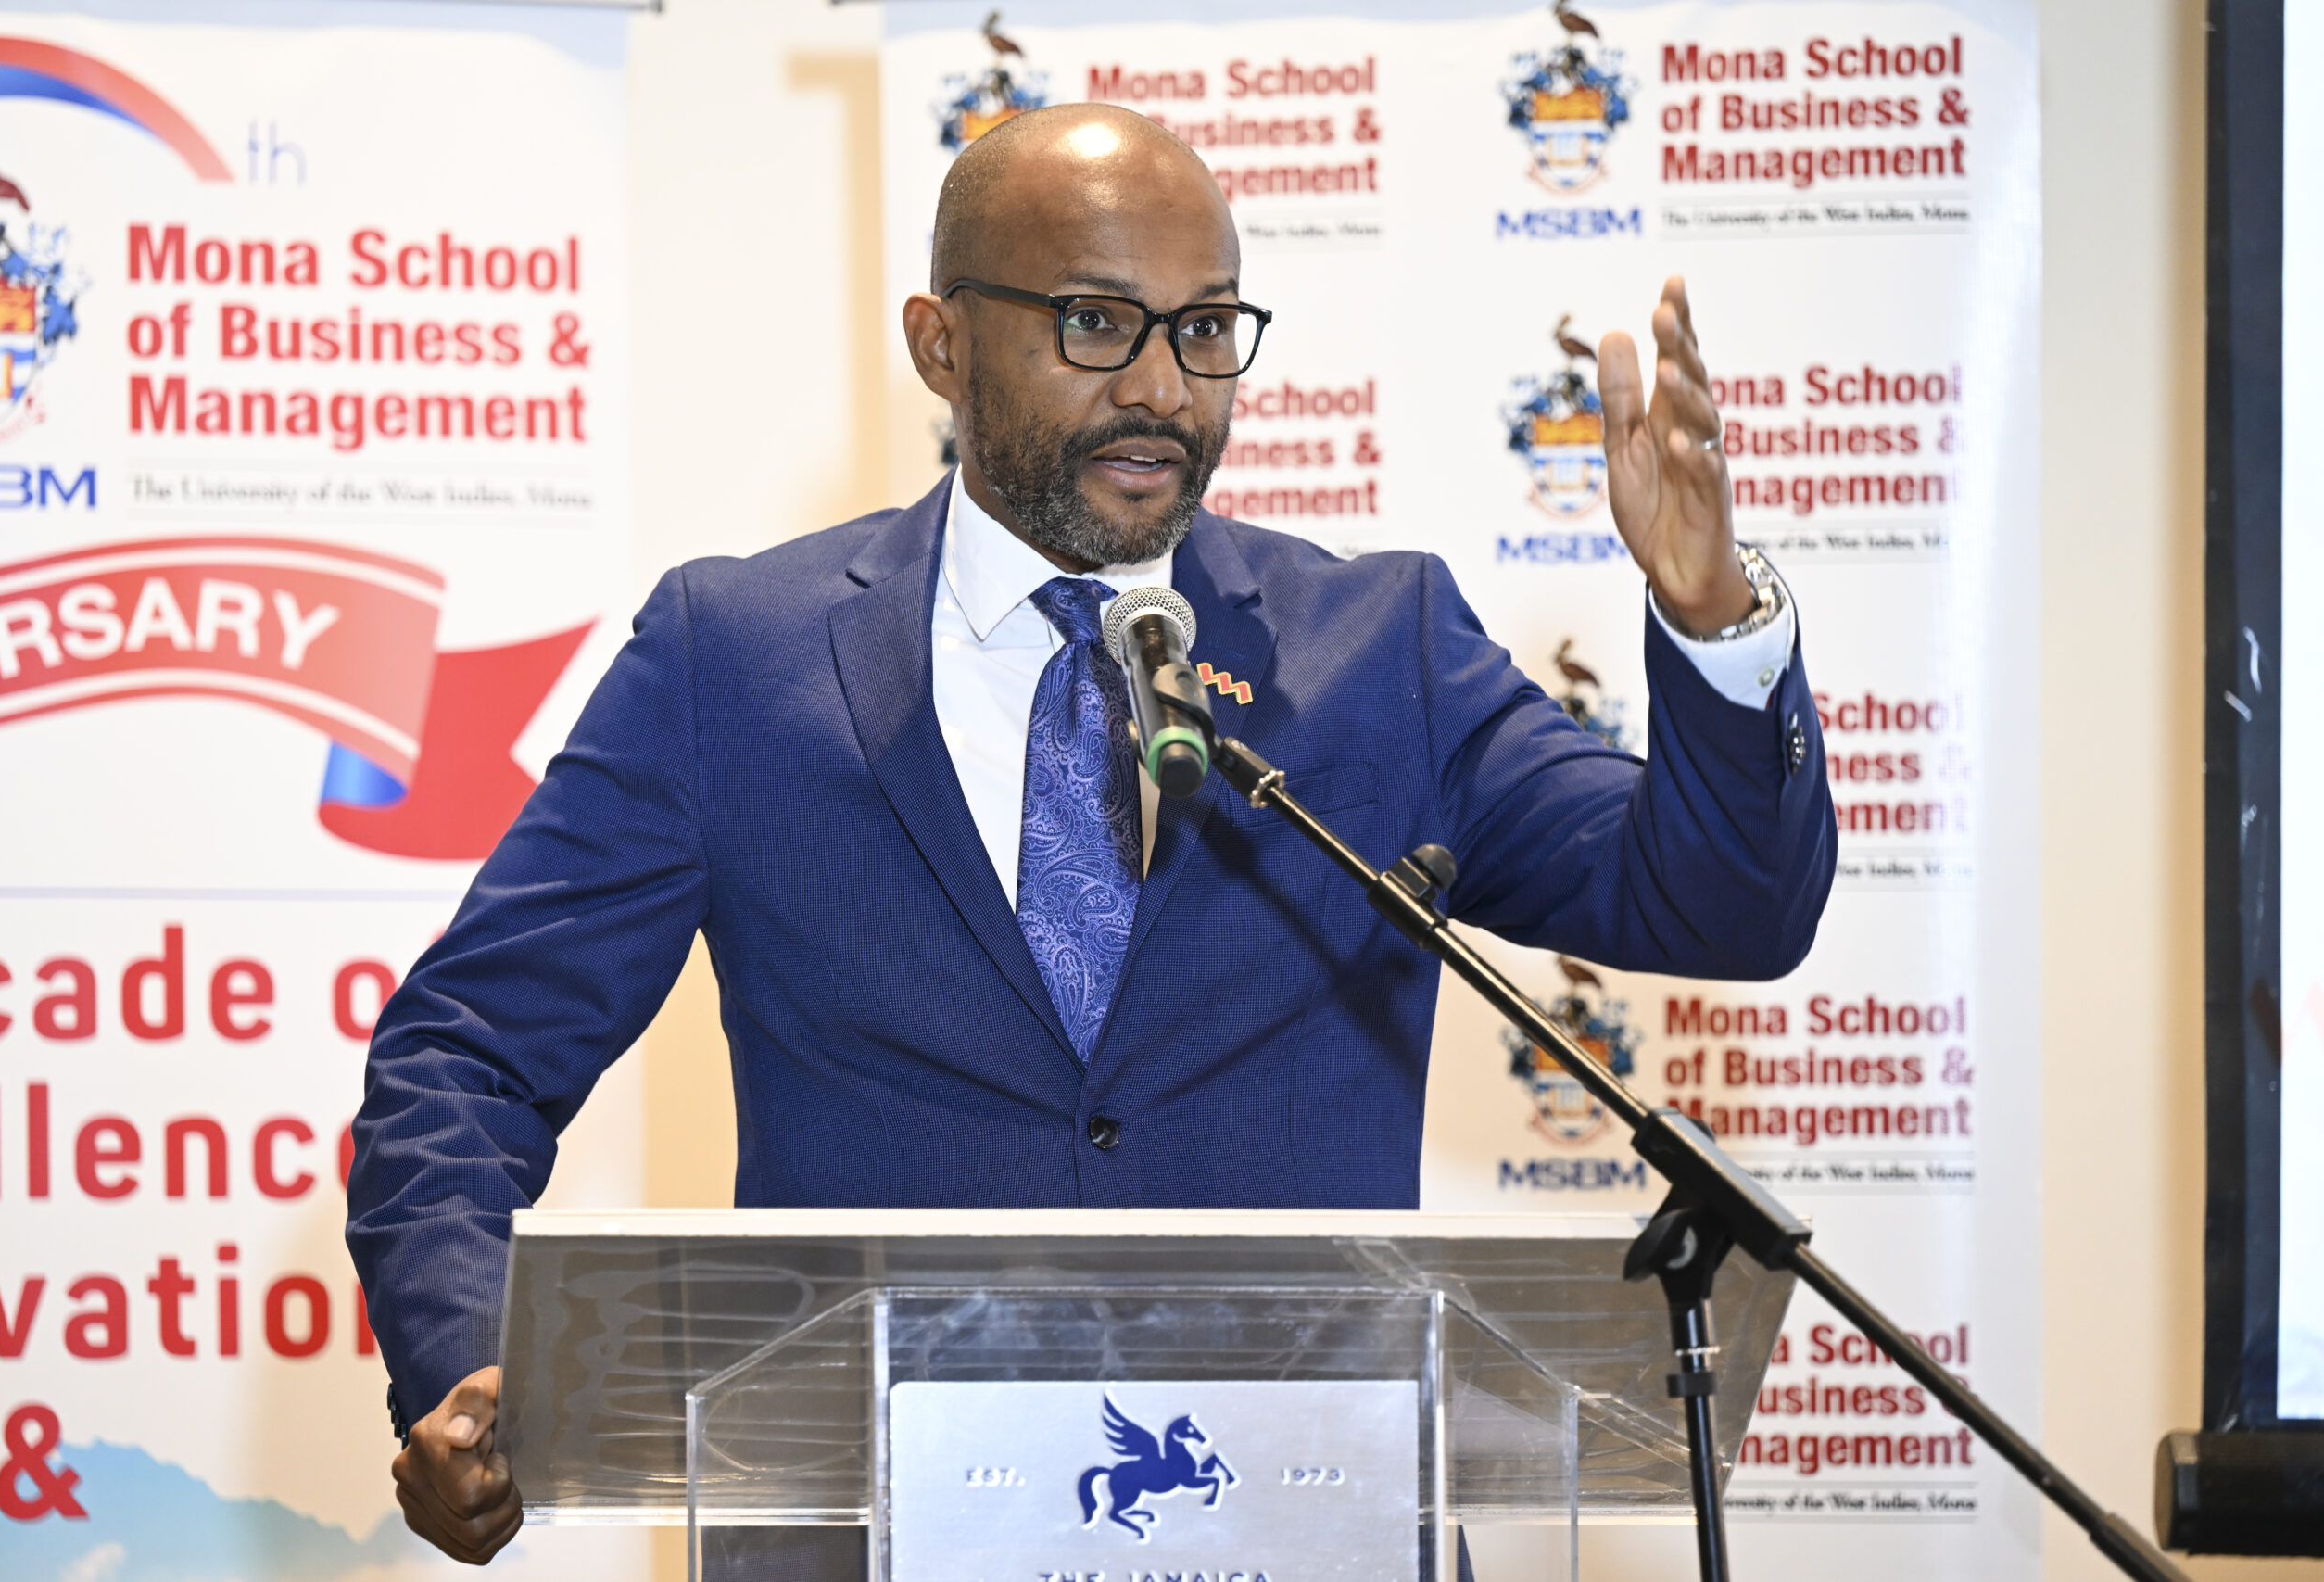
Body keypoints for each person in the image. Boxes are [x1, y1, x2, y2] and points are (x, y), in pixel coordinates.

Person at [348, 102, 1837, 1565]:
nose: (1165, 389)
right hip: (867, 1532)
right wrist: (467, 1363)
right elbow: (467, 1052)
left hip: (1303, 1522)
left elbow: (1722, 907)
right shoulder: (735, 657)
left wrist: (1714, 619)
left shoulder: (1379, 650)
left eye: (1205, 329)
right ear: (942, 343)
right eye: (1096, 323)